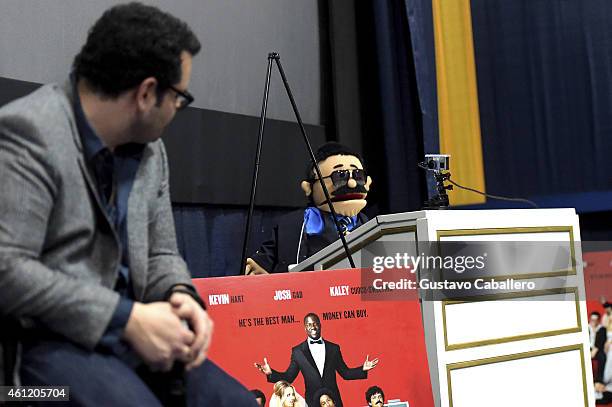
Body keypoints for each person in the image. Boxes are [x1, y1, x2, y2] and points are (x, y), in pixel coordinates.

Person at [0, 3, 256, 406]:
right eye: (179, 97)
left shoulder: (152, 151)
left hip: (129, 337)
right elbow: (7, 271)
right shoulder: (29, 134)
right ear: (146, 93)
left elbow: (161, 252)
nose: (178, 109)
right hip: (39, 347)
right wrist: (126, 318)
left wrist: (180, 294)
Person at [245, 142, 373, 274]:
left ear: (368, 182)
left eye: (358, 176)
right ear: (308, 187)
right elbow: (266, 260)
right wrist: (259, 268)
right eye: (340, 176)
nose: (352, 183)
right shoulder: (291, 225)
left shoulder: (371, 226)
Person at [254, 313, 379, 407]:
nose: (312, 327)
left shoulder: (333, 348)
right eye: (308, 324)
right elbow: (289, 377)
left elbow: (345, 373)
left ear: (320, 325)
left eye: (315, 323)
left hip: (333, 399)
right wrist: (271, 373)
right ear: (305, 328)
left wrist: (362, 369)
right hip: (312, 401)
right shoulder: (298, 352)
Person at [591, 312, 608, 382]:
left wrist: (593, 352)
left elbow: (600, 343)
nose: (593, 322)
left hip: (597, 349)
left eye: (595, 320)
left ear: (598, 320)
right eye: (592, 320)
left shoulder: (602, 329)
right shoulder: (586, 328)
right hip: (587, 348)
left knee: (602, 357)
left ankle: (599, 379)